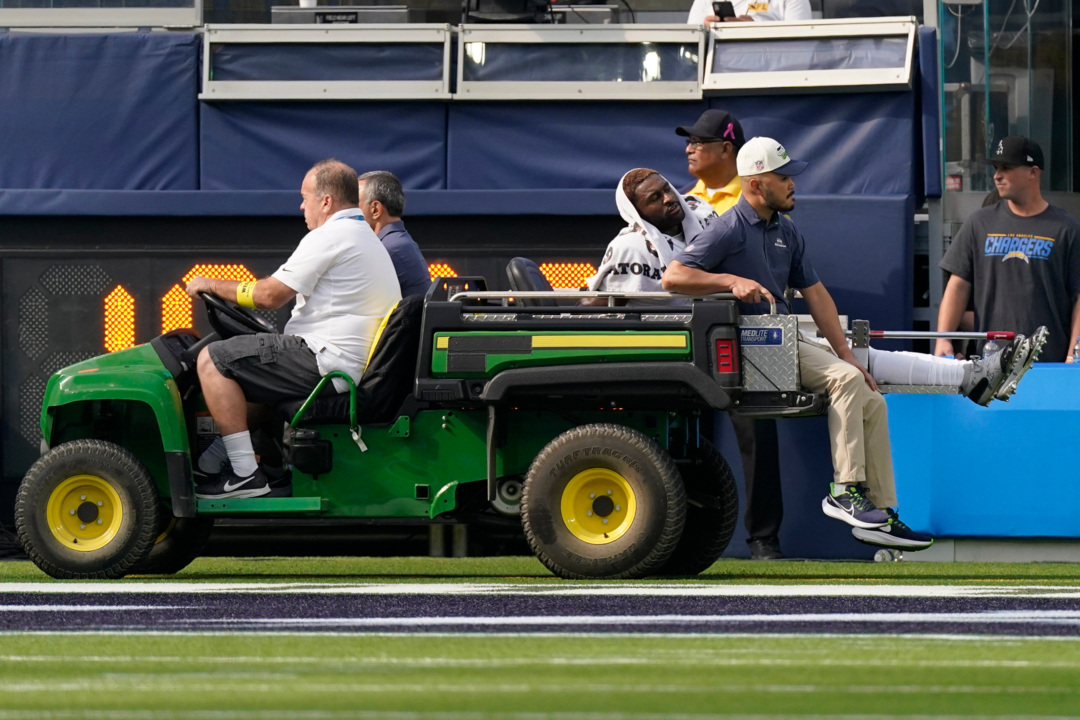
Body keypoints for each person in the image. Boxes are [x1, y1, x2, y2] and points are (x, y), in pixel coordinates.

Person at [662, 137, 1045, 550]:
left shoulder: (785, 230)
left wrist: (847, 355)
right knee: (847, 380)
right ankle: (845, 490)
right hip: (751, 350)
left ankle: (880, 514)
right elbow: (674, 277)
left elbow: (818, 296)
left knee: (870, 393)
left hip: (780, 343)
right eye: (783, 176)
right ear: (756, 185)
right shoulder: (727, 227)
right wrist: (731, 281)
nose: (793, 183)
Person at [186, 159, 401, 499]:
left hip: (329, 363)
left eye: (305, 197)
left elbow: (269, 295)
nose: (302, 206)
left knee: (213, 360)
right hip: (341, 361)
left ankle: (245, 475)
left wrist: (210, 285)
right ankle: (257, 468)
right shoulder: (362, 236)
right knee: (250, 372)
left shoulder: (331, 235)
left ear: (326, 201)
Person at [677, 109, 787, 560]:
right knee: (680, 435)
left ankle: (764, 538)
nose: (689, 148)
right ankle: (678, 532)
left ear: (729, 149)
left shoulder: (759, 196)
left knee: (759, 435)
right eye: (688, 141)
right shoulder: (678, 200)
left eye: (699, 141)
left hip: (748, 333)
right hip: (689, 331)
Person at [936, 136, 1080, 364]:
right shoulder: (979, 223)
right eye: (996, 168)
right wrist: (943, 338)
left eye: (1006, 168)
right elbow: (958, 285)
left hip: (1048, 363)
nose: (997, 175)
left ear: (1033, 172)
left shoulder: (1066, 228)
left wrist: (1074, 352)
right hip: (989, 363)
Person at [585, 168, 716, 303]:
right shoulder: (630, 247)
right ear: (637, 213)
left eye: (667, 189)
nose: (669, 198)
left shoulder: (702, 212)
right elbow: (594, 307)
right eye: (655, 198)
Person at [358, 170, 432, 299]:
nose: (350, 211)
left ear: (375, 209)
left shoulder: (388, 250)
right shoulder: (397, 243)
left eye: (355, 204)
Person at [676, 109, 746, 217]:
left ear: (725, 149)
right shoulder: (681, 198)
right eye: (689, 142)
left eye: (696, 142)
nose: (688, 150)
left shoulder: (756, 197)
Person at [687, 0, 811, 25]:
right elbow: (689, 44)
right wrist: (706, 32)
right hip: (715, 77)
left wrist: (754, 32)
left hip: (768, 79)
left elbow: (801, 51)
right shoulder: (704, 1)